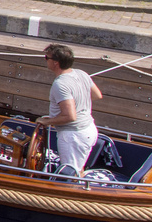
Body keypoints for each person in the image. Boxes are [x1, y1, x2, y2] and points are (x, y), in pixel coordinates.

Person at [35, 44, 103, 175]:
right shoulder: (82, 74)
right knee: (78, 168)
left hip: (73, 136)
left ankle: (72, 192)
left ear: (56, 63)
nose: (45, 60)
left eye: (46, 57)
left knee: (71, 173)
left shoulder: (60, 84)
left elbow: (70, 117)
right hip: (88, 129)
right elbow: (96, 95)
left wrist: (46, 122)